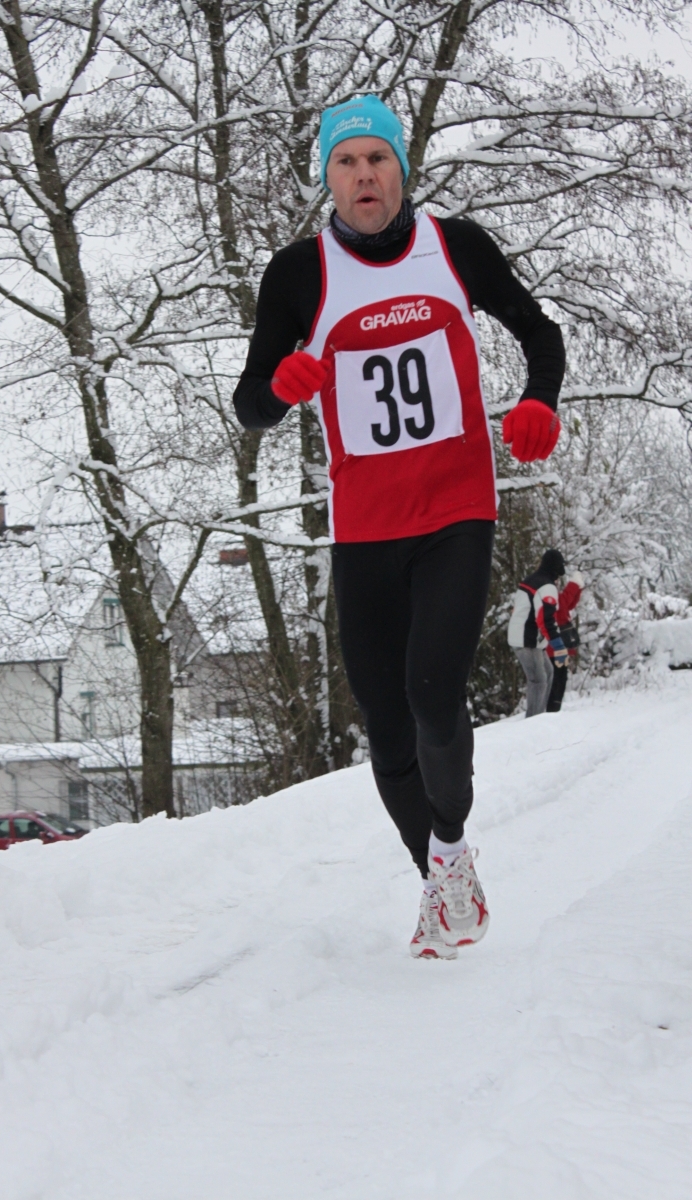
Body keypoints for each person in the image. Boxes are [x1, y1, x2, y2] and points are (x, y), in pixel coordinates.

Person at [233, 95, 565, 960]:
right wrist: (284, 382)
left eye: (378, 159)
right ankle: (441, 874)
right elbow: (250, 402)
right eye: (346, 164)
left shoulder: (454, 248)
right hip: (365, 527)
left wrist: (539, 399)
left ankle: (449, 849)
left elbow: (540, 333)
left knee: (431, 690)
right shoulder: (299, 275)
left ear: (402, 170)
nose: (364, 176)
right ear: (327, 181)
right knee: (385, 723)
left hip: (456, 509)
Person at [507, 549, 569, 717]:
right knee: (538, 681)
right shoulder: (546, 586)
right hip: (527, 640)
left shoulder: (532, 580)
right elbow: (546, 619)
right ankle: (533, 722)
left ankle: (542, 716)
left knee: (549, 673)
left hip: (527, 637)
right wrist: (559, 646)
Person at [546, 570, 584, 711]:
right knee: (558, 678)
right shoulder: (549, 596)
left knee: (559, 678)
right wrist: (574, 585)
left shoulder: (549, 595)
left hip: (555, 646)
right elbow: (563, 604)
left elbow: (569, 604)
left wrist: (577, 588)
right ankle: (553, 708)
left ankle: (553, 706)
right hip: (555, 646)